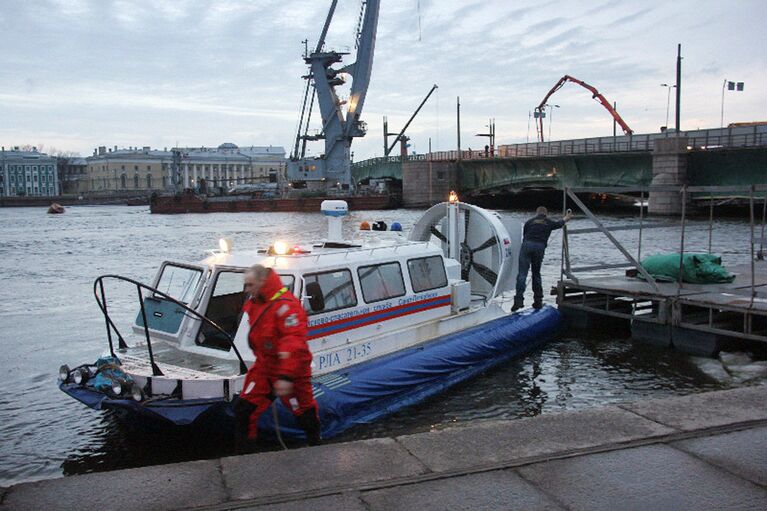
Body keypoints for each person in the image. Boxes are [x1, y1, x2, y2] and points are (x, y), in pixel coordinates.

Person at [234, 264, 321, 452]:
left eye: (250, 285)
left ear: (262, 282)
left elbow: (293, 342)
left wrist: (286, 376)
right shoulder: (257, 302)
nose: (247, 290)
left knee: (303, 413)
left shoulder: (286, 307)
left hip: (291, 368)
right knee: (243, 410)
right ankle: (245, 457)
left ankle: (317, 447)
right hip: (265, 367)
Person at [512, 206, 572, 312]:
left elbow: (525, 234)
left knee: (522, 275)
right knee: (536, 274)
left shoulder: (529, 222)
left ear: (537, 213)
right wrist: (567, 217)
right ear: (546, 214)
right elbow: (560, 223)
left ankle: (518, 301)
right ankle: (538, 301)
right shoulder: (548, 222)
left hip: (526, 246)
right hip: (539, 247)